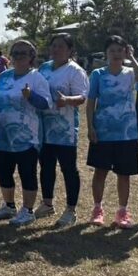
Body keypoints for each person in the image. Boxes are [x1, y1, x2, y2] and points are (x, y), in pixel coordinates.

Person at [0, 39, 52, 226]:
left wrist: (31, 96)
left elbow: (46, 104)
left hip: (27, 137)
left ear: (32, 56)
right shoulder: (4, 77)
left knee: (27, 172)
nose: (18, 56)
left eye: (23, 53)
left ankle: (28, 210)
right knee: (4, 171)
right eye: (15, 53)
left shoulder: (36, 78)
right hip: (3, 135)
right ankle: (9, 206)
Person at [86, 36, 138, 228]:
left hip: (126, 133)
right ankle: (97, 209)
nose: (116, 54)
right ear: (106, 53)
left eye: (120, 50)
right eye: (112, 50)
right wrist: (90, 126)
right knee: (100, 171)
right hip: (103, 131)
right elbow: (91, 102)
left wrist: (132, 57)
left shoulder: (130, 73)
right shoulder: (98, 74)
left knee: (124, 174)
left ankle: (122, 212)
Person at [37, 33, 90, 227]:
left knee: (68, 168)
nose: (56, 49)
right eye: (54, 46)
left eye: (61, 46)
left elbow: (82, 97)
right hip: (44, 128)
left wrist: (67, 100)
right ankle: (47, 203)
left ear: (70, 50)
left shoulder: (75, 71)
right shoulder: (44, 68)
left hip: (65, 130)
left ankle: (70, 210)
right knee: (46, 166)